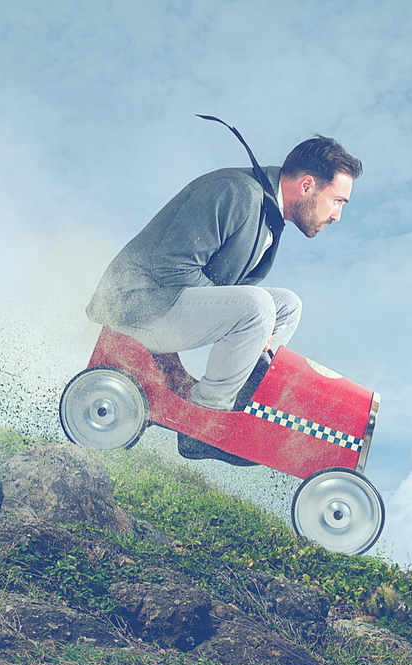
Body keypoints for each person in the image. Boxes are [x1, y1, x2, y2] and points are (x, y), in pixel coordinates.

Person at [85, 124, 362, 463]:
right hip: (138, 306)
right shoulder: (237, 193)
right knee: (258, 307)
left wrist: (254, 328)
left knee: (287, 305)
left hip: (168, 306)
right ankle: (203, 422)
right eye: (337, 201)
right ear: (307, 186)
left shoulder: (269, 217)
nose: (337, 215)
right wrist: (246, 318)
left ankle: (244, 401)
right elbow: (171, 268)